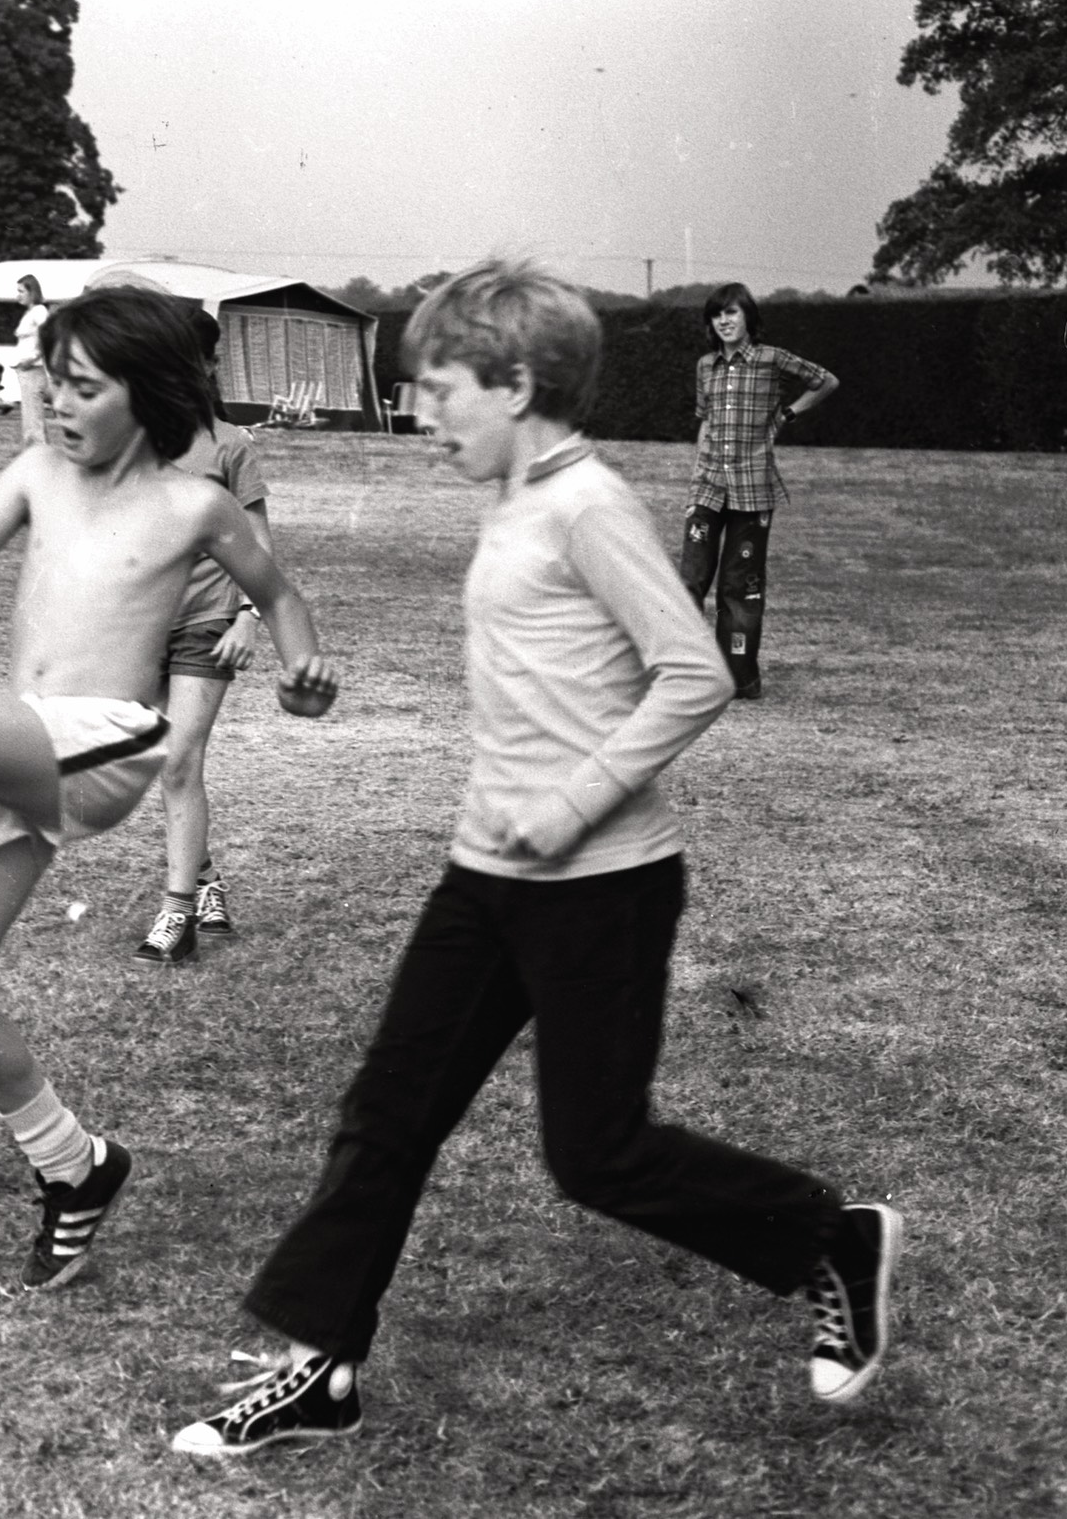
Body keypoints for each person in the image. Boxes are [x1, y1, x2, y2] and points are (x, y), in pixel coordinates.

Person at [170, 258, 897, 1459]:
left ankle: (833, 1237)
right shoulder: (513, 496)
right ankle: (322, 1374)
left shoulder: (586, 504)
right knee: (387, 1115)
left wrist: (572, 806)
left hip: (600, 883)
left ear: (514, 386)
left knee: (598, 1155)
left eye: (441, 389)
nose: (424, 414)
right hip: (487, 878)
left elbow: (695, 674)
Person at [0, 286, 341, 1291]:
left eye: (84, 388)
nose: (56, 402)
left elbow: (278, 595)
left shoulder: (195, 504)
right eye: (51, 382)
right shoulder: (35, 473)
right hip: (26, 749)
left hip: (111, 742)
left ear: (148, 395)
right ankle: (74, 1165)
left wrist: (304, 672)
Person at [135, 307, 276, 964]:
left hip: (208, 620)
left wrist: (249, 615)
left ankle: (176, 915)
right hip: (140, 624)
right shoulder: (134, 439)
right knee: (158, 757)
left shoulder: (231, 445)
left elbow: (259, 543)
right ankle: (207, 878)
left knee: (178, 760)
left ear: (209, 366)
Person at [683, 283, 838, 700]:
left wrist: (789, 413)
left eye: (732, 313)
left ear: (748, 317)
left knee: (740, 587)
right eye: (717, 315)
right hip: (708, 487)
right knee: (689, 581)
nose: (724, 321)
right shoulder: (705, 366)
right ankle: (683, 673)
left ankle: (739, 678)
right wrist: (695, 482)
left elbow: (825, 381)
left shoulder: (771, 359)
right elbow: (706, 422)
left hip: (753, 491)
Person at [9, 274, 51, 446]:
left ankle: (37, 453)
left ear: (32, 292)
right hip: (25, 371)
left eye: (21, 291)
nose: (18, 295)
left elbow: (46, 336)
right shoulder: (31, 313)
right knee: (31, 418)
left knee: (33, 420)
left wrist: (33, 358)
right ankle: (39, 453)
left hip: (32, 370)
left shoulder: (40, 311)